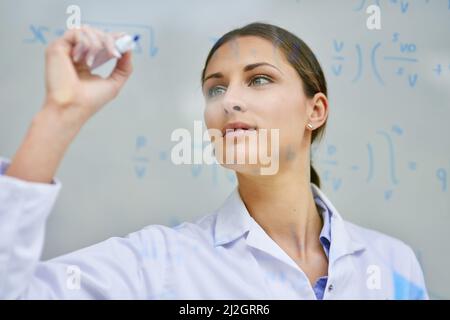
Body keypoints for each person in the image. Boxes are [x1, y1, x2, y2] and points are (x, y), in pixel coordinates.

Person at [0, 22, 428, 299]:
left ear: (315, 111)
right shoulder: (159, 264)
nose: (230, 102)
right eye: (215, 89)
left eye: (259, 79)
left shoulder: (393, 265)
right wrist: (60, 113)